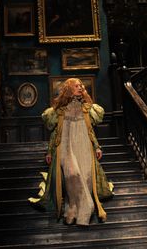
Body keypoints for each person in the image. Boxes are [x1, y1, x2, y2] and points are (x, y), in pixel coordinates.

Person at [29, 77, 114, 226]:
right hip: (66, 147)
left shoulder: (87, 108)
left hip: (84, 146)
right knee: (72, 175)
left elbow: (91, 130)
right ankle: (87, 207)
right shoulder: (59, 111)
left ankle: (73, 212)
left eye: (81, 85)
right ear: (69, 89)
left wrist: (97, 147)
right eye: (76, 86)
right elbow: (55, 131)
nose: (80, 87)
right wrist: (49, 151)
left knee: (86, 178)